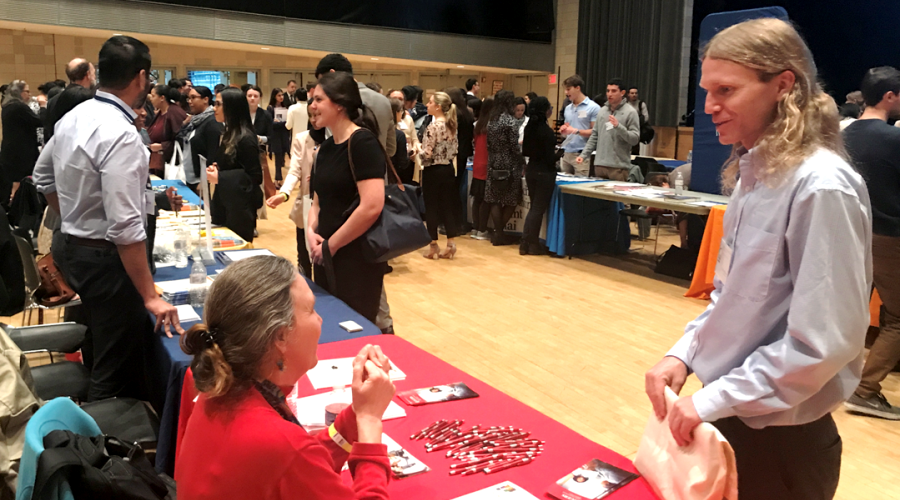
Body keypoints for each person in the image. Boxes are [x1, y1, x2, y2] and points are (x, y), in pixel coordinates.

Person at [644, 18, 871, 500]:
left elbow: (823, 343)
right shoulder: (753, 174)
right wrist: (682, 354)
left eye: (726, 89)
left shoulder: (821, 185)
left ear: (782, 86)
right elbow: (732, 297)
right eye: (707, 91)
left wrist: (712, 398)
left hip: (781, 445)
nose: (710, 107)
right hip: (728, 418)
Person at [33, 36, 183, 407]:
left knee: (96, 343)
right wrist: (150, 295)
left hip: (71, 248)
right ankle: (100, 450)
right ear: (142, 77)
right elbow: (125, 227)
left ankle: (84, 422)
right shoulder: (121, 134)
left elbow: (42, 177)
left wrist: (73, 215)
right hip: (105, 262)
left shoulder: (73, 117)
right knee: (114, 366)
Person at [175, 255, 395, 500]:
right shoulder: (278, 445)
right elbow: (293, 457)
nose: (321, 319)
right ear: (280, 336)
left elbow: (303, 465)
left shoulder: (220, 391)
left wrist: (357, 414)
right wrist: (370, 421)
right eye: (311, 310)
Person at [316, 53, 396, 335]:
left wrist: (331, 244)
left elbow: (371, 206)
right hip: (325, 253)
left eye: (318, 100)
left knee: (354, 332)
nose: (311, 106)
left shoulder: (362, 142)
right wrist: (313, 232)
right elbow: (318, 199)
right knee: (329, 329)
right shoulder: (325, 147)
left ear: (338, 105)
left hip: (355, 257)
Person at [842, 66, 900, 420]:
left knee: (850, 313)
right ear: (889, 96)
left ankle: (834, 379)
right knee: (897, 319)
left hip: (850, 232)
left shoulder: (842, 135)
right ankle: (865, 390)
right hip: (889, 235)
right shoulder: (893, 140)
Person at [267, 88, 325, 279]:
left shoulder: (336, 139)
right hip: (307, 202)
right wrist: (284, 194)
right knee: (304, 254)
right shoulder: (302, 138)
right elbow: (294, 170)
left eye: (318, 114)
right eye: (311, 115)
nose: (315, 119)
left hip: (329, 206)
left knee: (323, 258)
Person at [206, 88, 263, 243]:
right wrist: (217, 169)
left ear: (231, 107)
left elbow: (255, 176)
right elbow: (232, 165)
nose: (214, 108)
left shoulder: (246, 138)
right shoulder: (229, 132)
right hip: (226, 201)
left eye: (218, 104)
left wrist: (221, 177)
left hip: (240, 209)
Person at [420, 91, 460, 260]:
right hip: (448, 169)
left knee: (431, 208)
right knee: (446, 206)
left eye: (429, 103)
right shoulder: (452, 125)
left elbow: (427, 154)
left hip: (433, 170)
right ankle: (451, 243)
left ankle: (433, 245)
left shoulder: (433, 127)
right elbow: (455, 150)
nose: (427, 105)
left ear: (437, 107)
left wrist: (415, 152)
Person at [576, 78, 639, 180]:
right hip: (600, 165)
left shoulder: (630, 112)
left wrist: (618, 127)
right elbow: (595, 135)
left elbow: (634, 139)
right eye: (608, 91)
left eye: (614, 91)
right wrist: (584, 155)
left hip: (618, 167)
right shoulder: (602, 111)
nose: (609, 94)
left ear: (622, 93)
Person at [485, 90, 525, 246]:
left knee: (494, 198)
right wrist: (521, 160)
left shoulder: (492, 120)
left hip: (494, 161)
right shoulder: (510, 121)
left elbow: (489, 144)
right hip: (509, 163)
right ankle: (499, 232)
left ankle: (498, 233)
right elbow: (514, 146)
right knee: (511, 199)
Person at [520, 96, 555, 256]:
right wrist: (557, 155)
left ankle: (525, 243)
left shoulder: (529, 128)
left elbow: (526, 151)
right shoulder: (546, 131)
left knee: (534, 208)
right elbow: (549, 157)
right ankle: (531, 243)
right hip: (544, 172)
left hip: (532, 170)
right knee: (538, 209)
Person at [0, 80, 44, 205]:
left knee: (13, 183)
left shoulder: (7, 106)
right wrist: (43, 106)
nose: (29, 94)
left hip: (11, 151)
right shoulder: (19, 107)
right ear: (19, 92)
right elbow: (38, 121)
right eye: (27, 91)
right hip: (21, 153)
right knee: (23, 183)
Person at [444, 87, 474, 231]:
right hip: (463, 154)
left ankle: (452, 224)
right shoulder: (467, 113)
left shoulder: (455, 115)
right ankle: (459, 222)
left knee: (450, 191)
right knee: (455, 190)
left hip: (454, 155)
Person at [45, 58, 96, 142]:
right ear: (88, 74)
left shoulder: (52, 101)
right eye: (93, 74)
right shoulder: (89, 98)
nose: (94, 77)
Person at [557, 75, 600, 176]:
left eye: (568, 89)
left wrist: (576, 131)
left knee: (579, 187)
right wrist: (563, 131)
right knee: (564, 187)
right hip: (567, 153)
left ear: (577, 88)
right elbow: (567, 132)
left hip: (582, 153)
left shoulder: (593, 107)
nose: (566, 93)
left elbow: (595, 132)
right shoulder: (568, 108)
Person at [178, 85, 216, 192]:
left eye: (193, 98)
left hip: (201, 180)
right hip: (190, 177)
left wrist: (205, 181)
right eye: (188, 98)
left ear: (205, 99)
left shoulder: (212, 122)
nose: (189, 101)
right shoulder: (194, 120)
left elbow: (213, 153)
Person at [146, 84, 187, 176]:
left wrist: (162, 146)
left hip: (171, 160)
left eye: (153, 96)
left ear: (162, 98)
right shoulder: (161, 112)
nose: (151, 99)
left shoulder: (175, 112)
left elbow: (181, 138)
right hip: (158, 160)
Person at [247, 84, 276, 209]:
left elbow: (271, 137)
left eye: (255, 96)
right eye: (249, 96)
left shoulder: (265, 115)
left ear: (260, 98)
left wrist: (259, 139)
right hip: (243, 153)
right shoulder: (241, 115)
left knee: (258, 186)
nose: (252, 98)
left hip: (259, 154)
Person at [470, 96, 493, 240]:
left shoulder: (477, 125)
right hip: (486, 163)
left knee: (477, 197)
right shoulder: (491, 126)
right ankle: (482, 228)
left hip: (477, 163)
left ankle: (476, 227)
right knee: (485, 198)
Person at [389, 89, 421, 184]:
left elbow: (415, 139)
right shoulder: (385, 120)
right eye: (395, 98)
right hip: (394, 160)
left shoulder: (408, 119)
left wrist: (415, 149)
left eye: (401, 99)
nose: (398, 101)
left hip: (408, 160)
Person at [267, 88, 292, 188]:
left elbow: (289, 123)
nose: (281, 97)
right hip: (275, 135)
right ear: (274, 96)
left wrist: (281, 123)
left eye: (282, 95)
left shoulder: (286, 107)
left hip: (285, 135)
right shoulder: (270, 108)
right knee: (277, 158)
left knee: (285, 157)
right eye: (279, 95)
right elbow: (270, 124)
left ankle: (287, 179)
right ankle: (277, 179)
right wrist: (281, 124)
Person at [389, 98, 412, 185]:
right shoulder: (399, 135)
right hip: (396, 176)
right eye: (401, 111)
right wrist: (410, 154)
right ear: (396, 112)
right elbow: (403, 162)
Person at [627, 86, 651, 155]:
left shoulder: (641, 104)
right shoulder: (625, 104)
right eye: (632, 93)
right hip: (626, 129)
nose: (634, 95)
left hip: (637, 129)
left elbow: (646, 117)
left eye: (635, 93)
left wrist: (637, 123)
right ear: (628, 94)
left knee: (635, 149)